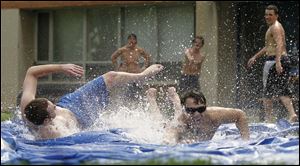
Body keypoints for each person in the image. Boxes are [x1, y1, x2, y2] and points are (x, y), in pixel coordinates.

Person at [20, 63, 164, 140]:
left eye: (53, 103)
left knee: (111, 77)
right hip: (81, 119)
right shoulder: (52, 133)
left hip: (71, 103)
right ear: (47, 121)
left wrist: (62, 67)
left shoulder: (28, 106)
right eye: (54, 109)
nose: (56, 106)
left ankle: (141, 75)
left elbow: (31, 72)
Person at [247, 5, 298, 123]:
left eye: (270, 14)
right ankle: (292, 114)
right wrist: (255, 56)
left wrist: (278, 61)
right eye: (266, 14)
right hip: (282, 60)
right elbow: (269, 46)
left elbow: (280, 44)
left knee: (267, 93)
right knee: (282, 90)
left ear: (276, 16)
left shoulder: (275, 27)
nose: (267, 17)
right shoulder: (275, 27)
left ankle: (268, 119)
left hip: (275, 61)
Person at [145, 87, 250, 144]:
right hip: (180, 121)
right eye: (191, 110)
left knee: (179, 112)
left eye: (201, 109)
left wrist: (245, 141)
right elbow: (169, 137)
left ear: (205, 106)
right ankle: (152, 98)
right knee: (159, 124)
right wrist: (169, 141)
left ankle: (174, 96)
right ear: (185, 109)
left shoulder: (215, 115)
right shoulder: (182, 121)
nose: (196, 114)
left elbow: (240, 115)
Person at [111, 34, 151, 102]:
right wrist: (117, 68)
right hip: (126, 73)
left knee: (137, 93)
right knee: (126, 93)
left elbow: (148, 57)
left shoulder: (139, 50)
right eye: (130, 40)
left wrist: (144, 67)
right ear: (128, 41)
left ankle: (137, 105)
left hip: (136, 74)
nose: (132, 43)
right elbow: (113, 57)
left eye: (133, 40)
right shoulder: (123, 49)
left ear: (136, 41)